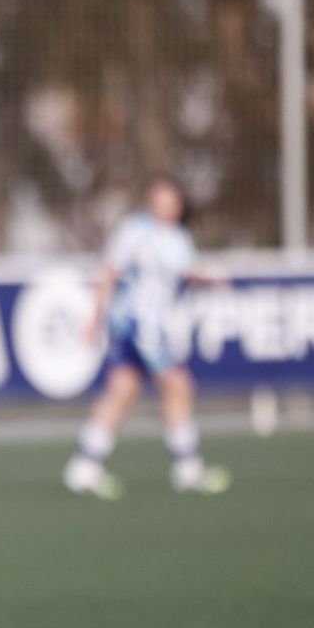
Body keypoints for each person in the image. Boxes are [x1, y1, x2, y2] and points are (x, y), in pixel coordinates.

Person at [64, 175, 230, 499]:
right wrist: (95, 319)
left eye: (171, 199)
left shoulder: (179, 238)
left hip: (152, 326)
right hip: (138, 326)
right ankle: (187, 467)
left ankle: (85, 465)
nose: (165, 205)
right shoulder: (135, 231)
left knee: (122, 391)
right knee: (178, 385)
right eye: (160, 198)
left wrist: (208, 278)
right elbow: (108, 272)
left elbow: (182, 275)